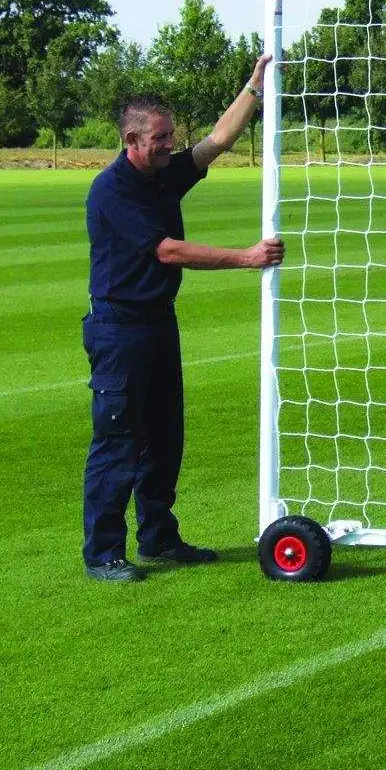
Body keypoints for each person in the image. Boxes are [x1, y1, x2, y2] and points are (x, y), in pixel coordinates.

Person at [81, 55, 285, 582]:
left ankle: (159, 539)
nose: (170, 145)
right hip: (118, 328)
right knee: (119, 440)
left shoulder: (163, 174)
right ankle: (103, 553)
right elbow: (167, 250)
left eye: (171, 136)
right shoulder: (113, 190)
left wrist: (254, 89)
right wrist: (247, 257)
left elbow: (217, 140)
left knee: (165, 438)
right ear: (132, 139)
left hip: (156, 325)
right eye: (161, 139)